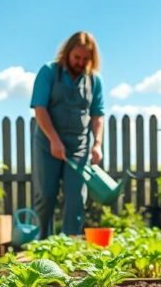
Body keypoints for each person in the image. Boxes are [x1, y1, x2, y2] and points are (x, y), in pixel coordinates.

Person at [29, 31, 105, 238]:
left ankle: (69, 246)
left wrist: (97, 144)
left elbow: (97, 115)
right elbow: (40, 109)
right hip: (47, 143)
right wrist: (54, 139)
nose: (80, 63)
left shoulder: (94, 81)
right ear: (67, 53)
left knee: (76, 199)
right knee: (46, 196)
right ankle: (42, 244)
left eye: (85, 59)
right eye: (76, 58)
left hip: (78, 147)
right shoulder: (48, 72)